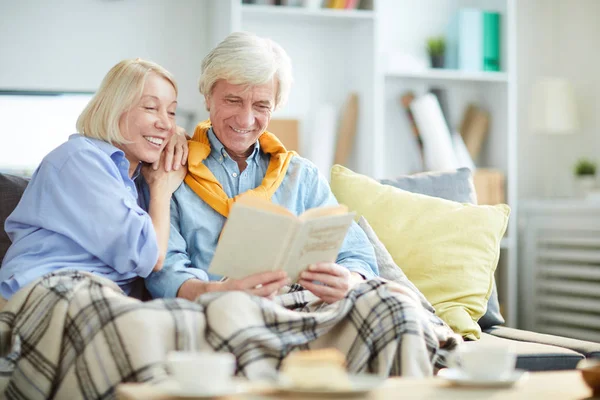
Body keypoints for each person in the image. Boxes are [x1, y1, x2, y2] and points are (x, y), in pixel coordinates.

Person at [145, 32, 379, 303]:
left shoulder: (302, 177)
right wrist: (216, 293)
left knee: (394, 306)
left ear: (275, 106)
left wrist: (349, 281)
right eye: (233, 100)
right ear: (208, 96)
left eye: (261, 105)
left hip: (300, 306)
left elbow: (357, 255)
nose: (245, 119)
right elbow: (163, 269)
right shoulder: (173, 168)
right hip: (214, 307)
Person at [0, 58, 188, 300]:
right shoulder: (80, 160)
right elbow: (146, 255)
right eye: (151, 108)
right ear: (115, 108)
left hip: (100, 298)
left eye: (171, 112)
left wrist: (181, 135)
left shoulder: (137, 176)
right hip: (47, 289)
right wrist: (162, 187)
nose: (166, 124)